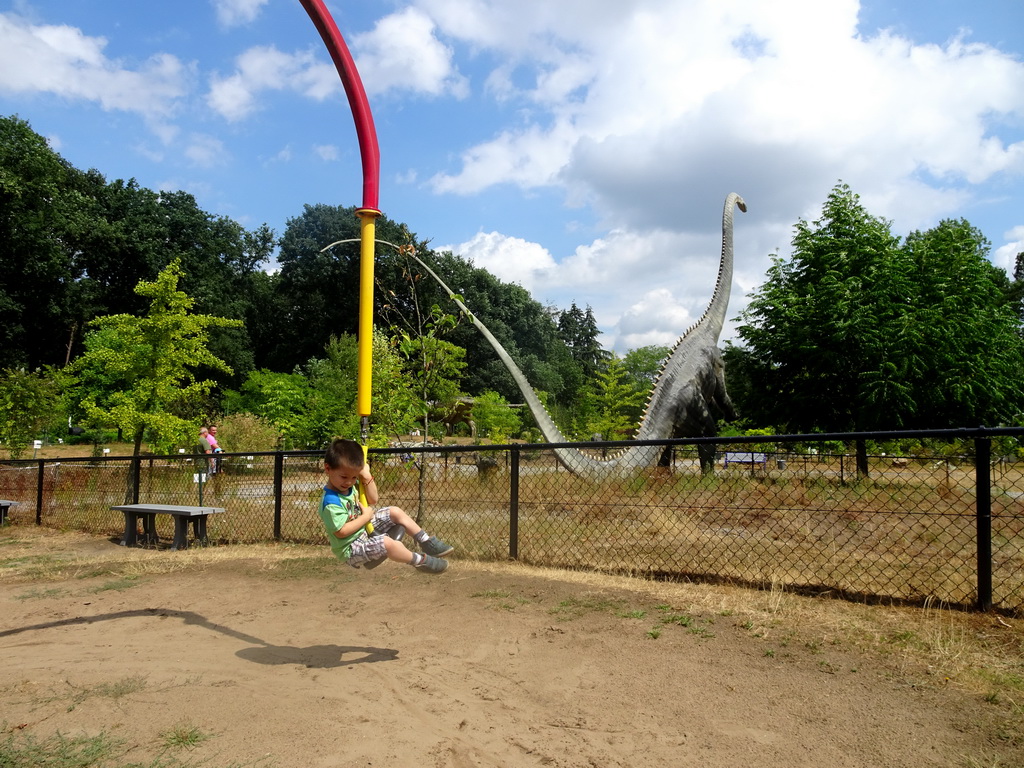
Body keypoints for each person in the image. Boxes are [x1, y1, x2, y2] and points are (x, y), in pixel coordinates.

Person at [318, 438, 453, 574]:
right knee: (387, 543)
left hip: (363, 529)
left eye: (354, 477)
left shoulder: (349, 486)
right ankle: (422, 561)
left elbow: (373, 499)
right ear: (328, 468)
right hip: (351, 548)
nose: (349, 482)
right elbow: (341, 532)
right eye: (344, 477)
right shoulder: (331, 502)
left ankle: (427, 542)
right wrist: (366, 517)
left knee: (395, 512)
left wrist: (366, 477)